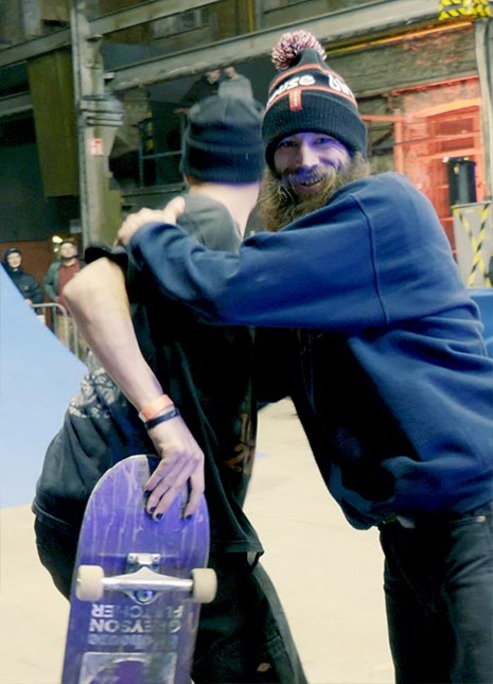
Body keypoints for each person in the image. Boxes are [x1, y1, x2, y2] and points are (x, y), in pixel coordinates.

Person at [115, 31, 493, 684]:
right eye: (287, 146)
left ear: (354, 150)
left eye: (323, 142)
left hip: (475, 525)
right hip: (409, 540)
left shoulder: (382, 209)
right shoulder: (310, 262)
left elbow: (228, 288)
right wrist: (157, 407)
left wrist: (150, 236)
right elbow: (256, 369)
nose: (304, 160)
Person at [33, 95, 306, 684]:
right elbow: (85, 290)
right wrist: (164, 418)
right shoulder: (203, 223)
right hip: (135, 509)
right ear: (264, 170)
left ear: (186, 167)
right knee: (255, 659)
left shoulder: (213, 244)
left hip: (89, 499)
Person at [44, 239, 86, 355]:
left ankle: (83, 366)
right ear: (60, 252)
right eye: (64, 248)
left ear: (75, 250)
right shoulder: (55, 268)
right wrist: (54, 298)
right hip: (62, 314)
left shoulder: (83, 266)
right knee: (64, 346)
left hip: (81, 314)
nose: (67, 251)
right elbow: (47, 284)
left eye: (70, 248)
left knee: (83, 345)